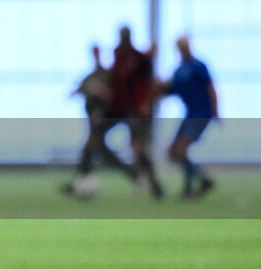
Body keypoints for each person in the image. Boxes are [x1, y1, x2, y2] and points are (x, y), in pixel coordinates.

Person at [62, 44, 137, 198]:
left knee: (91, 146)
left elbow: (112, 95)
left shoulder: (106, 75)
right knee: (101, 151)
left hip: (102, 117)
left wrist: (100, 93)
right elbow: (77, 91)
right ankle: (132, 174)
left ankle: (81, 181)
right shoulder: (90, 77)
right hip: (92, 119)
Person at [107, 26, 165, 198]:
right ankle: (136, 175)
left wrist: (146, 103)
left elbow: (148, 83)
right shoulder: (118, 56)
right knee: (99, 141)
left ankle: (153, 183)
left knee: (138, 147)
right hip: (120, 109)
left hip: (136, 110)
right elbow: (115, 83)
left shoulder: (138, 58)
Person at [163, 36, 218, 198]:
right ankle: (200, 181)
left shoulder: (198, 66)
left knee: (181, 148)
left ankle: (196, 184)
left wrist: (215, 111)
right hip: (190, 114)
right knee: (173, 152)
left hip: (201, 113)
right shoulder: (179, 70)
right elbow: (170, 89)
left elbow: (210, 88)